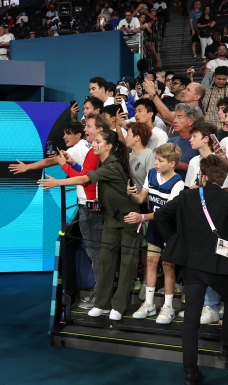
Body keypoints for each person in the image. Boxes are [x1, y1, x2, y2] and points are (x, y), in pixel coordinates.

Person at [39, 130, 141, 320]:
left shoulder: (113, 166)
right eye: (93, 141)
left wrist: (58, 182)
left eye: (98, 142)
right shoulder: (101, 162)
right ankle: (102, 303)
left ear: (109, 146)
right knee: (106, 260)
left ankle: (118, 306)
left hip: (129, 218)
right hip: (111, 217)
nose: (93, 144)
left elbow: (85, 179)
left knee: (126, 263)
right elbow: (84, 174)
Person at [154, 155, 228, 385]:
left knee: (191, 321)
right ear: (223, 177)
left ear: (204, 176)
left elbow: (161, 215)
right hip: (219, 266)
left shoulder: (187, 195)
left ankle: (190, 372)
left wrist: (176, 241)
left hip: (191, 266)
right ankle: (227, 349)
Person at [124, 144, 184, 324]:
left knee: (167, 266)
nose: (155, 163)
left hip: (170, 232)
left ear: (172, 163)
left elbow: (165, 213)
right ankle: (149, 304)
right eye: (156, 159)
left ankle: (168, 307)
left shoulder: (178, 183)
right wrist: (131, 195)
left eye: (160, 160)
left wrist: (142, 217)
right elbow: (142, 198)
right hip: (154, 229)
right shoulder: (151, 175)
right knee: (150, 262)